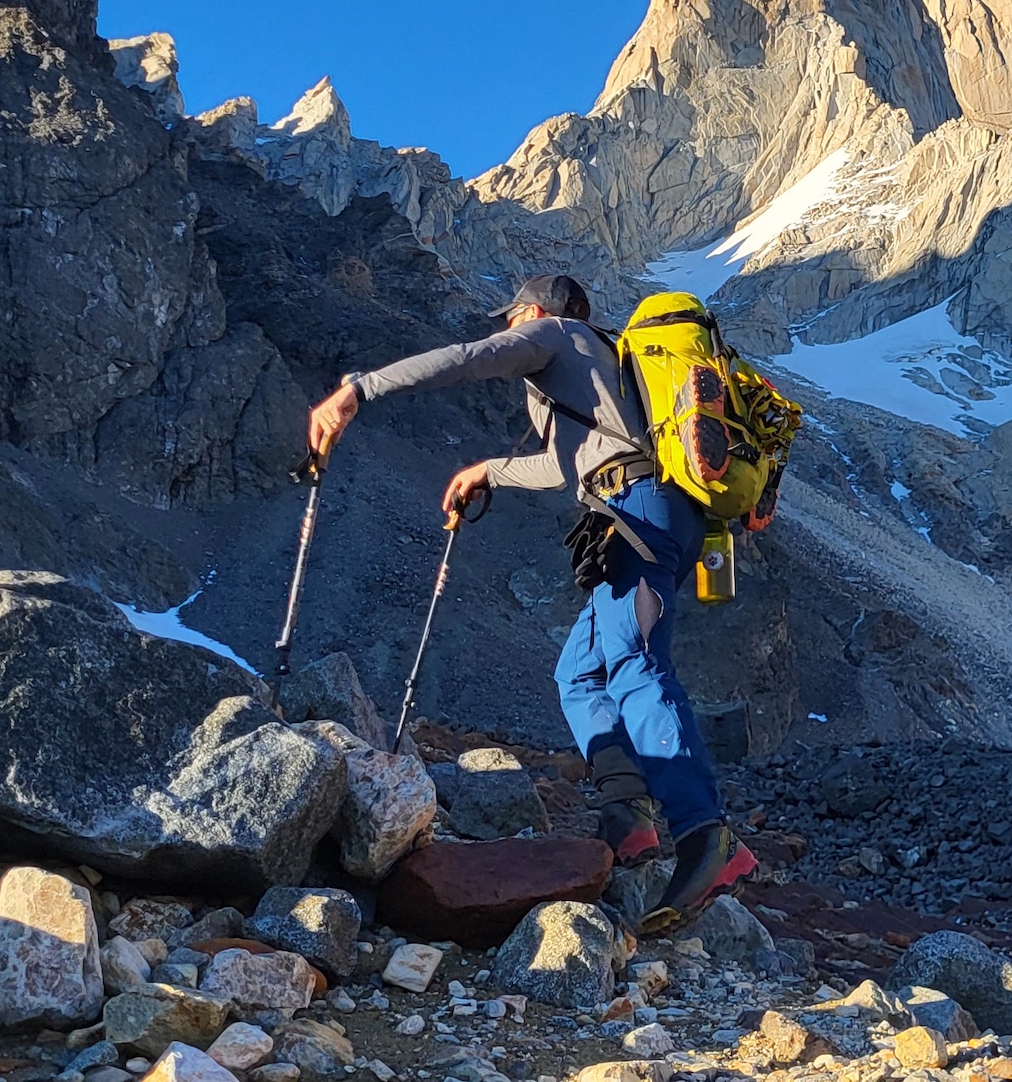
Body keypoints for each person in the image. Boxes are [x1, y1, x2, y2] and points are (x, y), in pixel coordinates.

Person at [304, 273, 755, 930]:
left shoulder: (551, 335)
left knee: (634, 665)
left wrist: (359, 389)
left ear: (536, 309)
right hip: (651, 511)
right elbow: (566, 464)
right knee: (578, 670)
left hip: (635, 510)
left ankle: (704, 835)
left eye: (512, 315)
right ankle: (629, 817)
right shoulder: (608, 360)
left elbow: (465, 359)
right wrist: (489, 469)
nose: (508, 326)